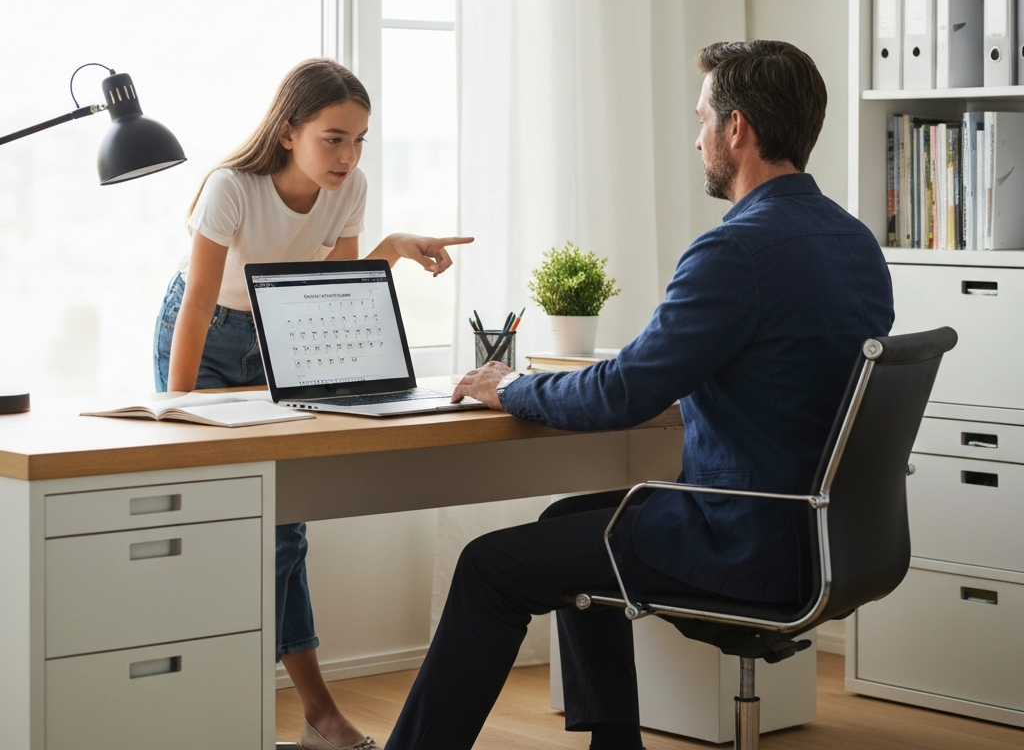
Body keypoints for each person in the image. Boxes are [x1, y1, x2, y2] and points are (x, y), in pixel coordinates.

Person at [384, 40, 895, 750]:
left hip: (745, 537)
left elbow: (621, 393)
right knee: (568, 518)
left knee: (488, 567)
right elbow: (786, 377)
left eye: (701, 119)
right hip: (824, 532)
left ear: (736, 128)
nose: (696, 139)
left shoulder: (735, 249)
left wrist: (510, 387)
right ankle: (613, 743)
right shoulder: (852, 242)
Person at [153, 58, 472, 750]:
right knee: (231, 522)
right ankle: (270, 709)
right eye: (333, 138)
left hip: (277, 339)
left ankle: (301, 715)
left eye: (359, 140)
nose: (348, 155)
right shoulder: (230, 189)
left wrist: (388, 249)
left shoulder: (347, 189)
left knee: (284, 527)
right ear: (289, 129)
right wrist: (177, 410)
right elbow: (201, 303)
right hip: (203, 338)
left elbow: (329, 293)